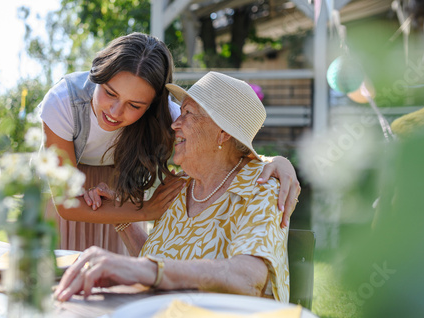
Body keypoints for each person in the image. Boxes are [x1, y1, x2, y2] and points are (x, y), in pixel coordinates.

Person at [39, 33, 300, 254]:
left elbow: (226, 146)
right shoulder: (64, 102)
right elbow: (66, 204)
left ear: (152, 105)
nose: (116, 112)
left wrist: (278, 162)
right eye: (109, 92)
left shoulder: (170, 116)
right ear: (97, 73)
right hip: (64, 192)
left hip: (114, 192)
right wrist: (145, 212)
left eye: (135, 105)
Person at [55, 72, 289, 303]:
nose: (175, 123)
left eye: (188, 113)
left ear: (223, 133)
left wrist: (142, 269)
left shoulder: (260, 187)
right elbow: (155, 262)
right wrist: (121, 216)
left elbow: (248, 278)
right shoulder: (181, 184)